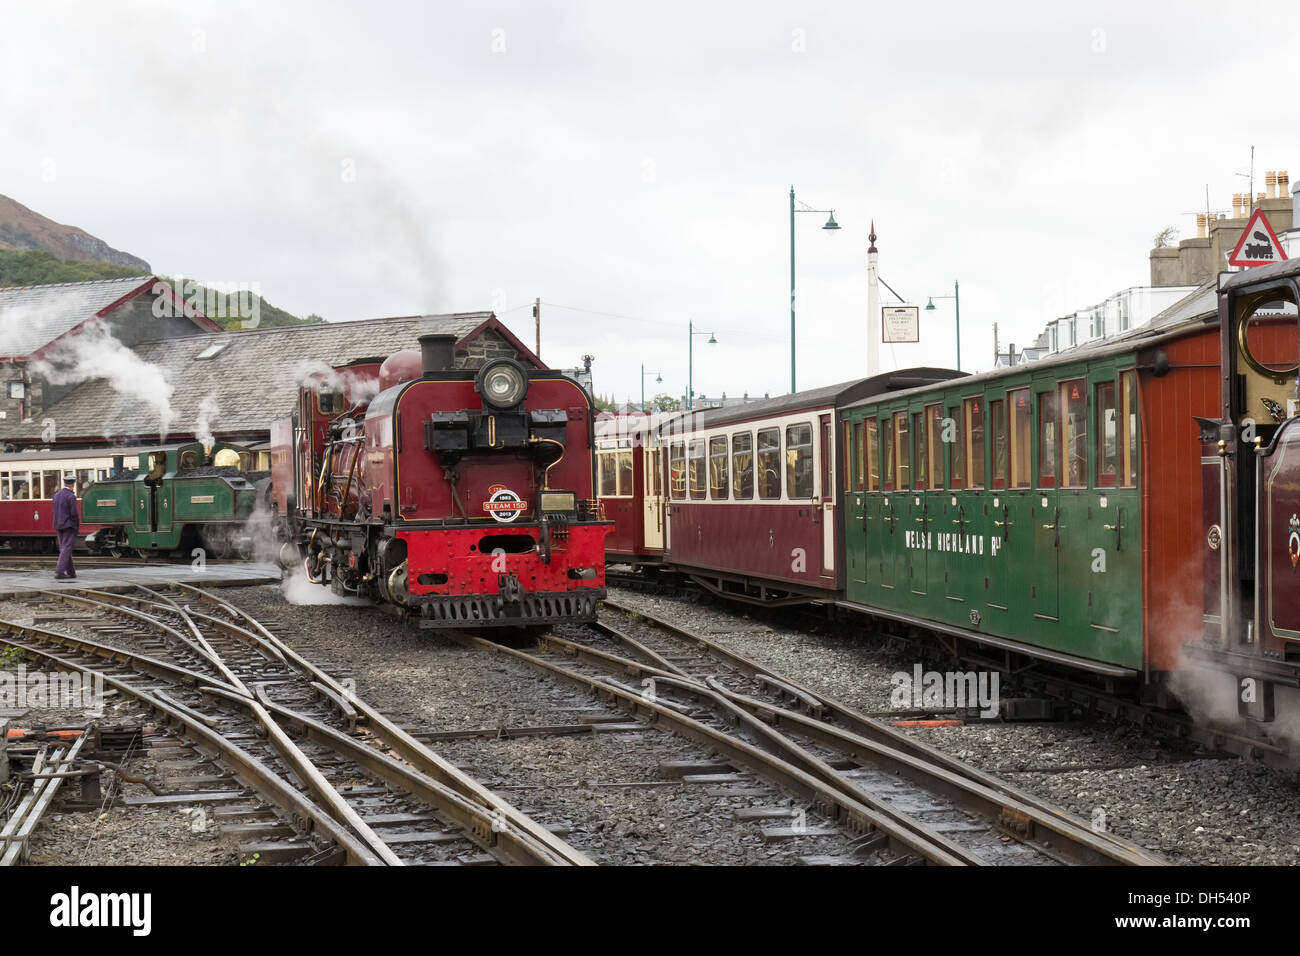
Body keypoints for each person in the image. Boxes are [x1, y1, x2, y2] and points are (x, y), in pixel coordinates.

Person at [52, 472, 79, 580]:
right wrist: (76, 525)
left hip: (58, 524)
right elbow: (74, 513)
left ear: (65, 483)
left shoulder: (56, 495)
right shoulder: (71, 496)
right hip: (69, 525)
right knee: (67, 547)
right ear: (73, 484)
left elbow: (54, 510)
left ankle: (71, 572)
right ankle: (59, 571)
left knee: (64, 548)